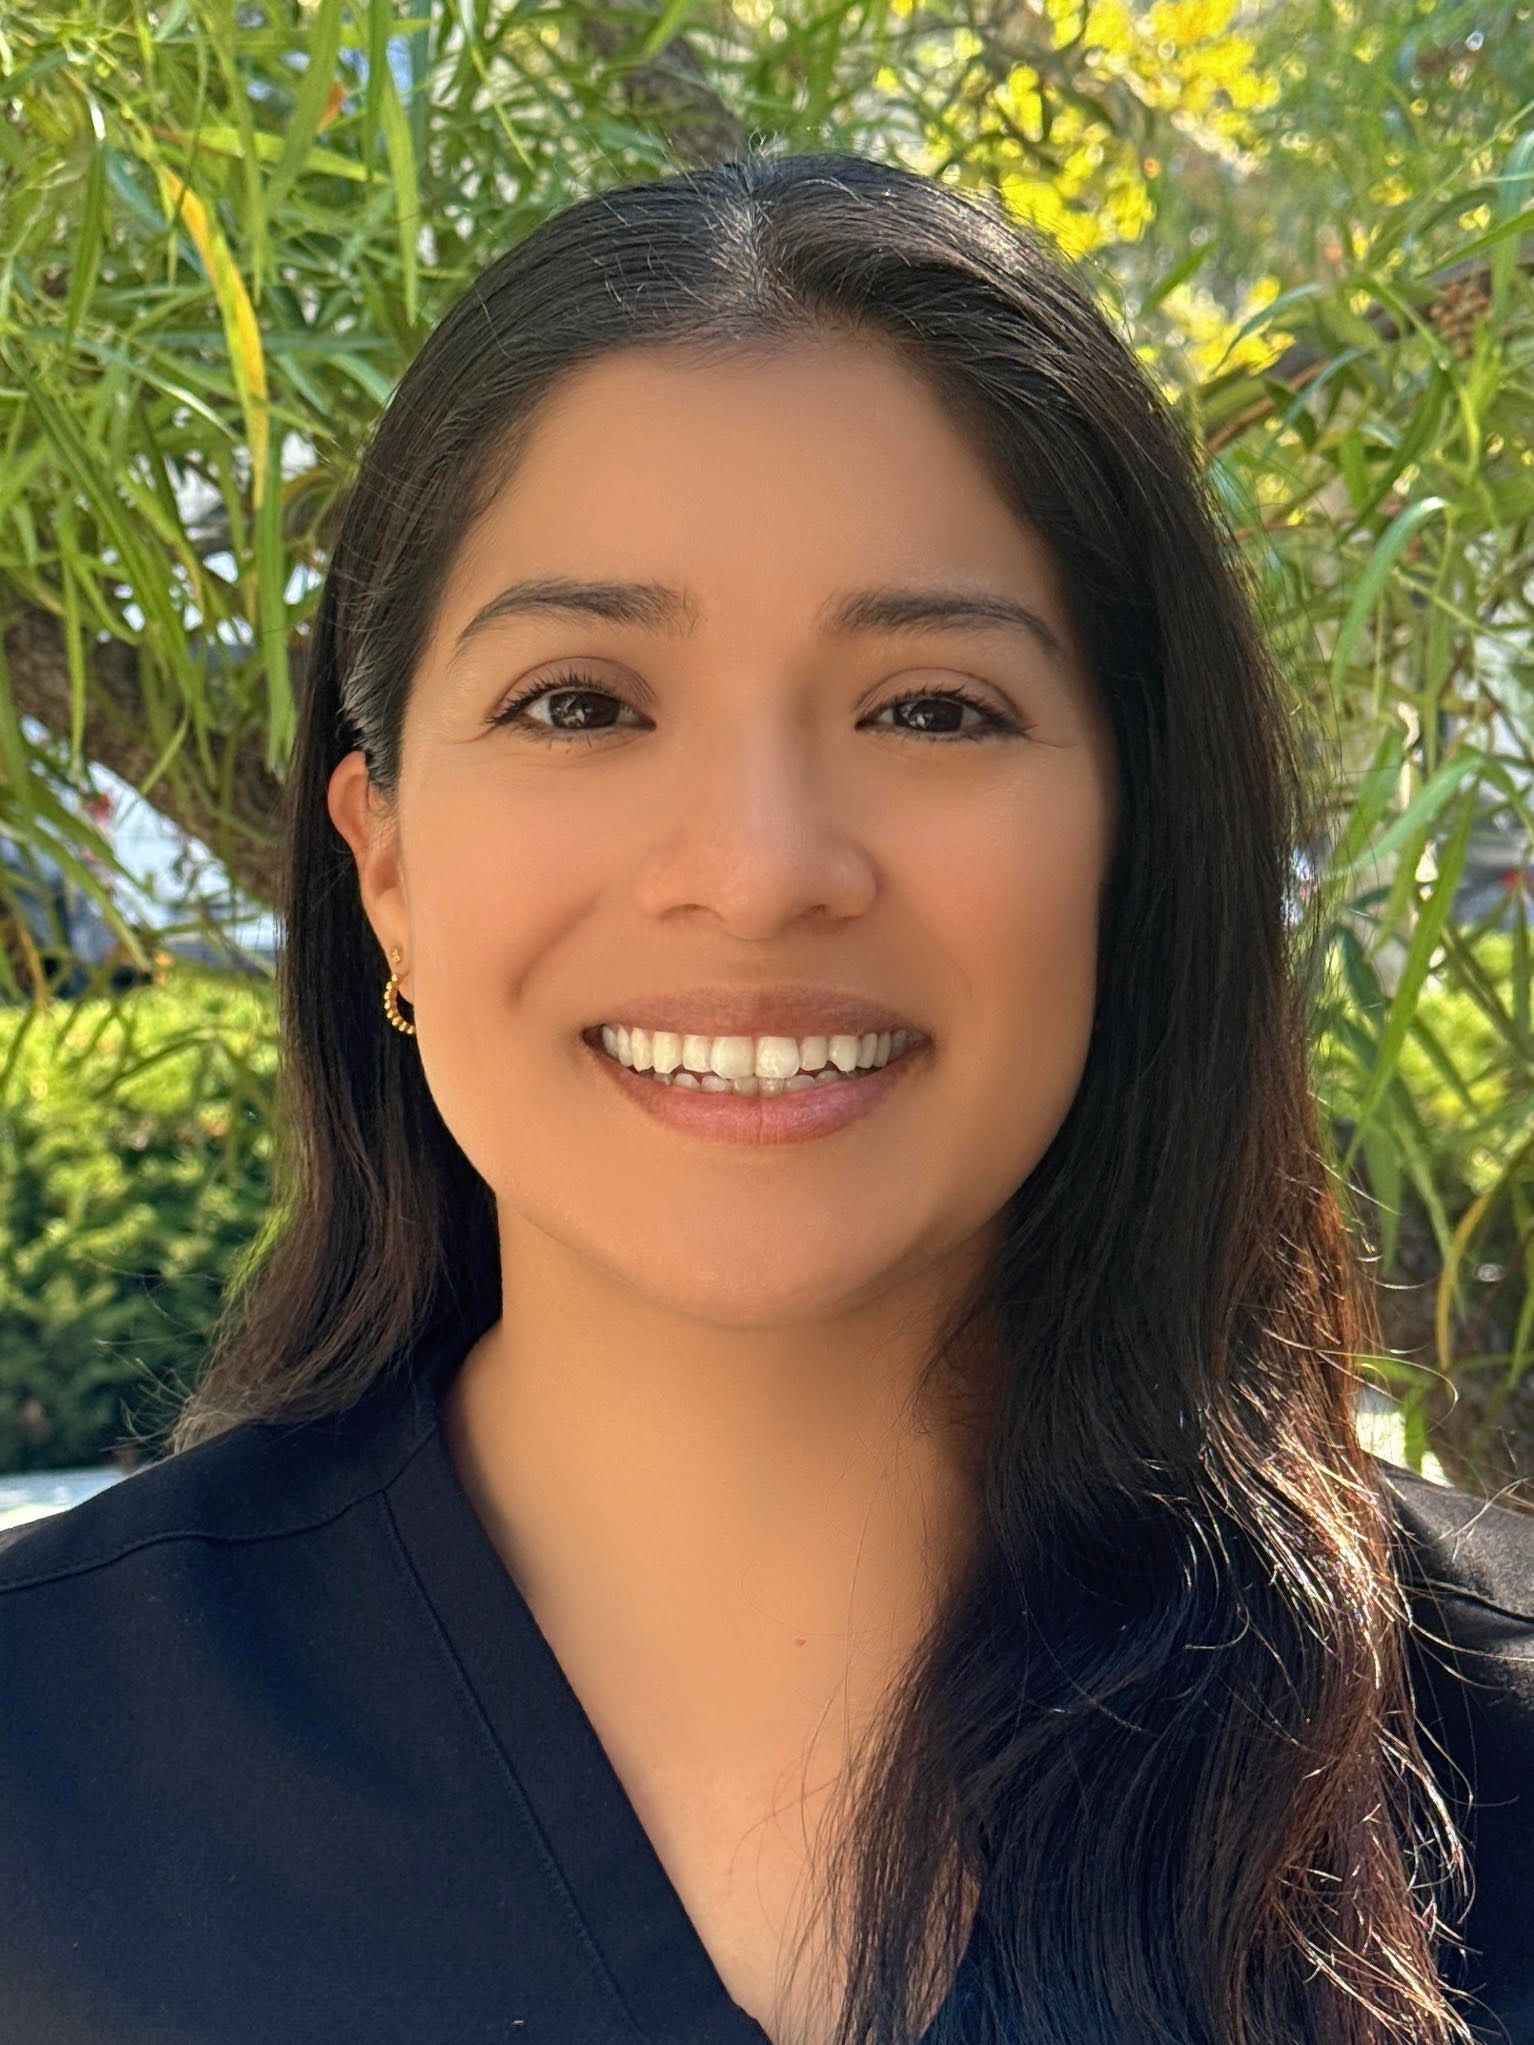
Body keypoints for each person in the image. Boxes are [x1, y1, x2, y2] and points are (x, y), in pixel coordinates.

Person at [2, 150, 1530, 2045]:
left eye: (931, 707)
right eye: (581, 701)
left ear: (1135, 848)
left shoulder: (1492, 1741)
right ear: (384, 864)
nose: (757, 866)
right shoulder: (44, 1766)